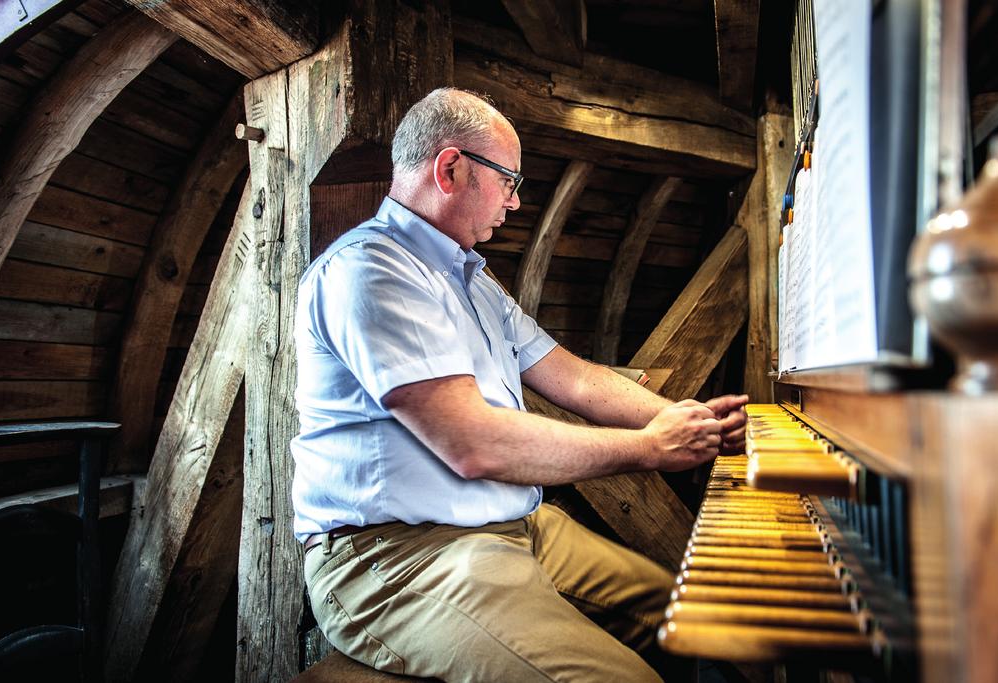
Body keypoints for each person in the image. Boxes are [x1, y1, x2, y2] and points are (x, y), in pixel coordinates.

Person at [292, 87, 747, 682]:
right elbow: (474, 444)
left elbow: (577, 380)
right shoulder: (370, 271)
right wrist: (650, 448)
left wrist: (689, 419)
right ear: (451, 168)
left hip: (515, 525)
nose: (514, 202)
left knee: (692, 614)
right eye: (510, 180)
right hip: (399, 554)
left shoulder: (473, 280)